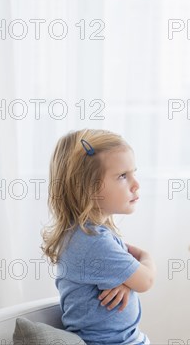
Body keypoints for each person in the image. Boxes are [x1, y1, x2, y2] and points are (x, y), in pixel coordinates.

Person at [42, 129, 155, 345]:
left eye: (133, 172)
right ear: (87, 188)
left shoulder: (87, 233)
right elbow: (146, 280)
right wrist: (146, 257)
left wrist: (126, 281)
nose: (136, 184)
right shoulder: (92, 241)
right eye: (123, 176)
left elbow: (130, 277)